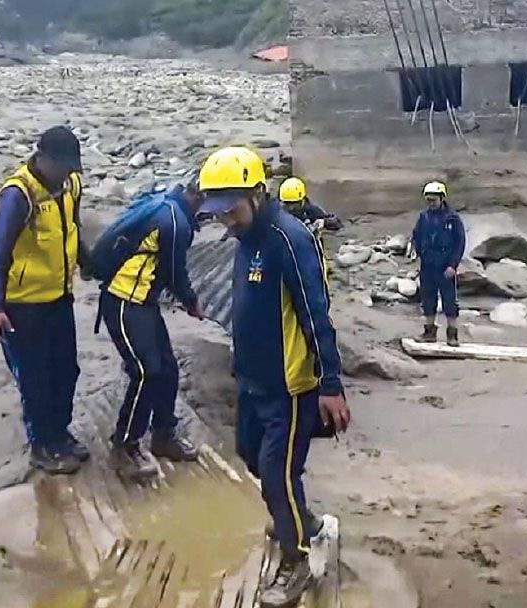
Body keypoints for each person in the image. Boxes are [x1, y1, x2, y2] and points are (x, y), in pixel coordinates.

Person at [195, 146, 351, 608]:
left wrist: (331, 384)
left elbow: (314, 313)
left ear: (258, 194)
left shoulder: (289, 239)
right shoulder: (246, 240)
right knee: (249, 453)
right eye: (220, 214)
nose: (228, 222)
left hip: (290, 386)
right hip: (254, 380)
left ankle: (298, 555)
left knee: (277, 474)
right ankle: (300, 522)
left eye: (234, 211)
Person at [0, 125, 92, 474]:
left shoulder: (71, 185)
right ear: (41, 157)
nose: (65, 174)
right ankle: (43, 444)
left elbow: (72, 230)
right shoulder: (19, 195)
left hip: (59, 298)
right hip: (22, 306)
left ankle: (59, 433)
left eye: (71, 167)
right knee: (35, 378)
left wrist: (92, 266)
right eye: (60, 166)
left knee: (66, 370)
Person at [95, 173, 205, 481]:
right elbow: (174, 271)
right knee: (145, 371)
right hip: (123, 301)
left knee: (167, 368)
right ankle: (125, 446)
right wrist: (192, 302)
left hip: (142, 302)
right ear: (200, 198)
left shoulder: (166, 204)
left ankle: (163, 435)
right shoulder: (177, 223)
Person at [411, 181, 465, 347]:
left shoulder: (453, 218)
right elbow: (416, 235)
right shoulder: (424, 217)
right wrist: (414, 249)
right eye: (429, 200)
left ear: (442, 198)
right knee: (428, 299)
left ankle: (452, 334)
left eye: (434, 200)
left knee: (449, 300)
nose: (431, 203)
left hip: (445, 265)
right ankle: (429, 332)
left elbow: (460, 243)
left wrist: (453, 265)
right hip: (428, 264)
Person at [278, 176, 343, 233]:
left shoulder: (311, 211)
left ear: (303, 200)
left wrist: (324, 222)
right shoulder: (276, 213)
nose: (290, 208)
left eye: (294, 204)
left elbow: (336, 223)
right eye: (287, 204)